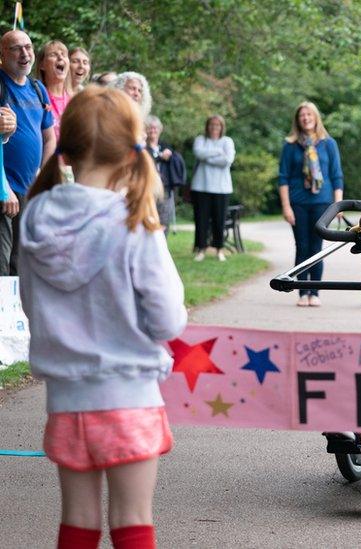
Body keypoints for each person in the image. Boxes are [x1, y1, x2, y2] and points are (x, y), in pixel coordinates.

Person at [20, 86, 187, 549]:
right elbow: (169, 320)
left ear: (66, 151)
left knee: (77, 521)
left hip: (67, 399)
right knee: (133, 520)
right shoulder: (134, 220)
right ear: (131, 152)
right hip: (129, 394)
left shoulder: (35, 218)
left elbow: (31, 305)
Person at [0, 30, 56, 276]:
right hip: (5, 191)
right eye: (16, 48)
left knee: (22, 264)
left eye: (28, 47)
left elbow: (49, 137)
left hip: (28, 190)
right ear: (2, 54)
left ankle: (14, 315)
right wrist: (3, 187)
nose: (24, 54)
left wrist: (41, 174)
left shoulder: (38, 89)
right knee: (2, 265)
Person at [277, 101, 344, 306]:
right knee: (302, 246)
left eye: (309, 114)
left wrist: (338, 205)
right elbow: (283, 178)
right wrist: (286, 206)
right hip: (298, 203)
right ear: (298, 120)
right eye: (302, 115)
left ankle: (315, 292)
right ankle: (302, 292)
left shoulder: (328, 143)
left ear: (316, 118)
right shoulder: (290, 145)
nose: (306, 118)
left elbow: (336, 175)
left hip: (322, 202)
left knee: (317, 247)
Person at [191, 114, 235, 261]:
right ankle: (201, 249)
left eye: (217, 125)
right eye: (211, 124)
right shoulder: (200, 140)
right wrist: (217, 152)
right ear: (207, 126)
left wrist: (207, 157)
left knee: (219, 220)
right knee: (201, 220)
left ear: (222, 127)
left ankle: (219, 249)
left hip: (222, 188)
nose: (214, 127)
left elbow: (227, 160)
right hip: (201, 186)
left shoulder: (227, 141)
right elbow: (198, 153)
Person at [146, 115, 186, 235]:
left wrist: (171, 157)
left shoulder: (166, 146)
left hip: (165, 189)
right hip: (148, 190)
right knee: (148, 220)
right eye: (150, 128)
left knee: (164, 222)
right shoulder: (142, 147)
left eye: (155, 128)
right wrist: (159, 157)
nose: (153, 130)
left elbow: (177, 165)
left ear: (160, 129)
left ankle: (161, 250)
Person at [34, 40, 71, 139]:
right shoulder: (36, 97)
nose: (60, 57)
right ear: (42, 65)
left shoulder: (75, 99)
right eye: (53, 54)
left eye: (64, 54)